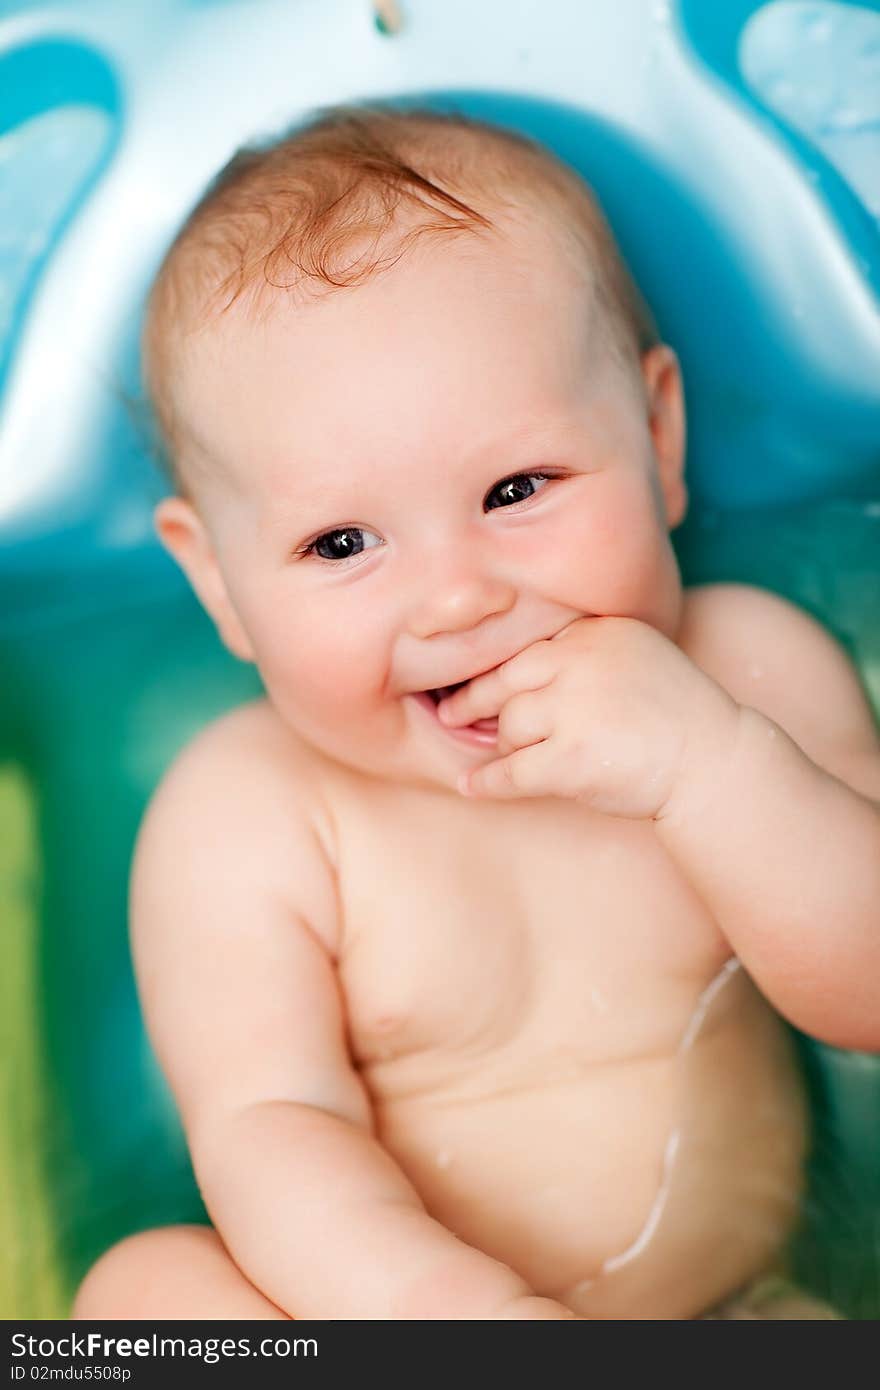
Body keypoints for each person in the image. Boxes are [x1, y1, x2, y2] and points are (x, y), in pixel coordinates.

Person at [72, 106, 879, 1319]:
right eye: (341, 542)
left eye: (516, 488)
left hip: (748, 1307)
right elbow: (267, 1129)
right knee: (135, 1309)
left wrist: (711, 768)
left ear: (659, 439)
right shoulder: (248, 818)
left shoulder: (747, 675)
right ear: (218, 584)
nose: (456, 596)